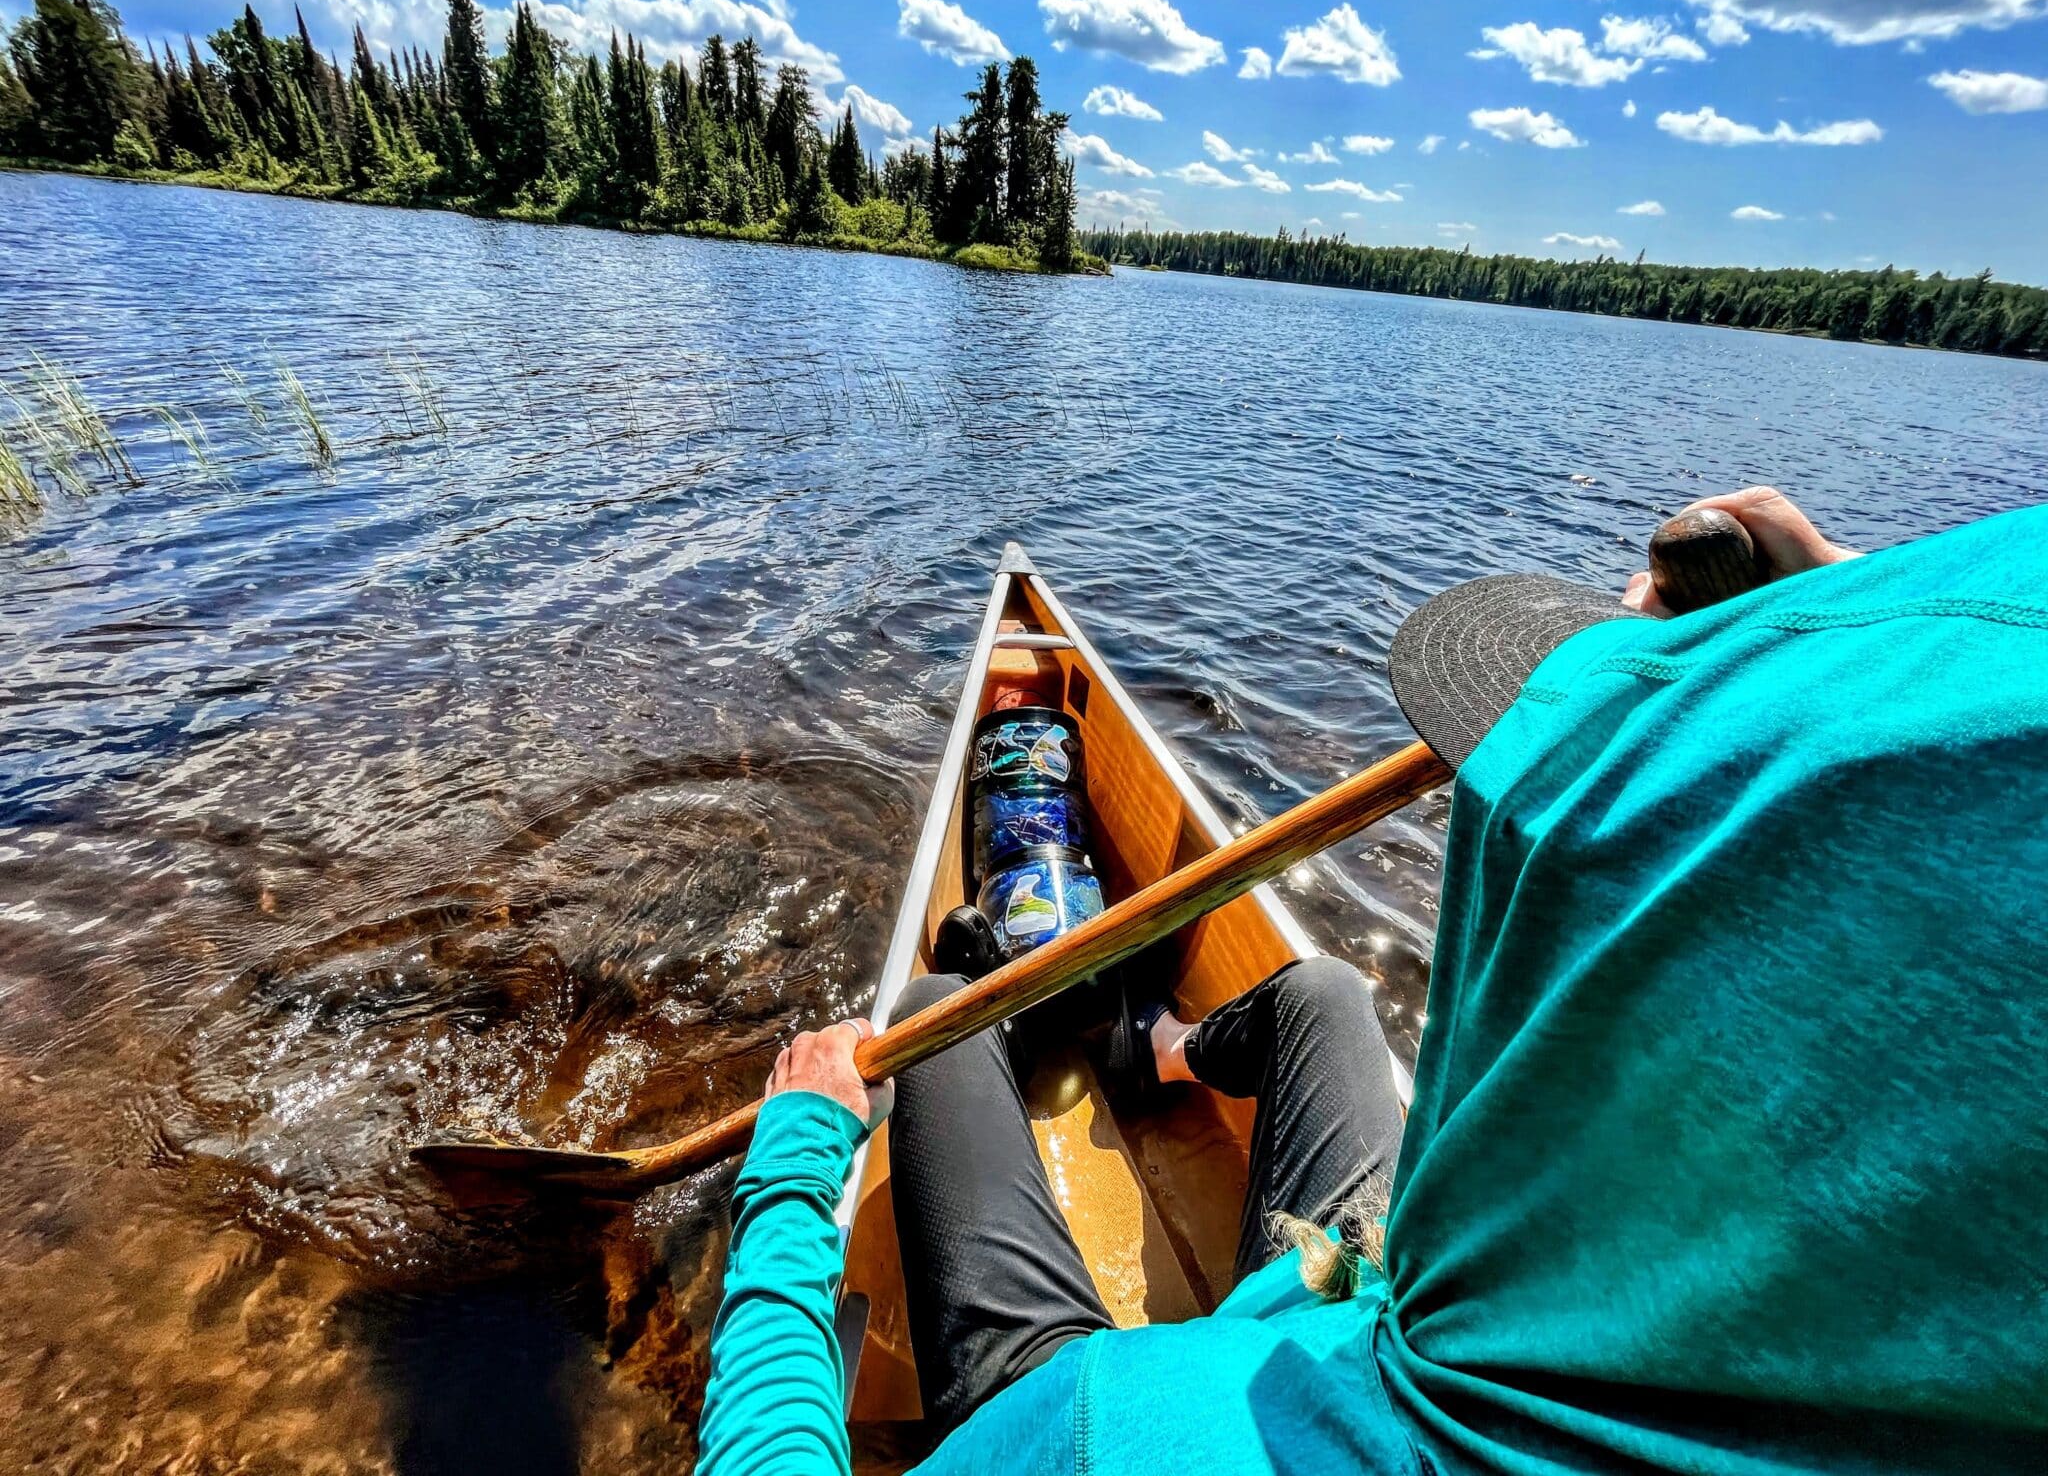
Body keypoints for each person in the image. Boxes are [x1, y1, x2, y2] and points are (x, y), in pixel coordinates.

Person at [696, 487, 2048, 1474]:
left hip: (1111, 1403)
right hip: (1353, 1296)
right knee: (1325, 994)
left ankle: (1049, 1020)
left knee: (937, 1018)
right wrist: (1850, 639)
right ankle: (1142, 1054)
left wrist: (797, 1159)